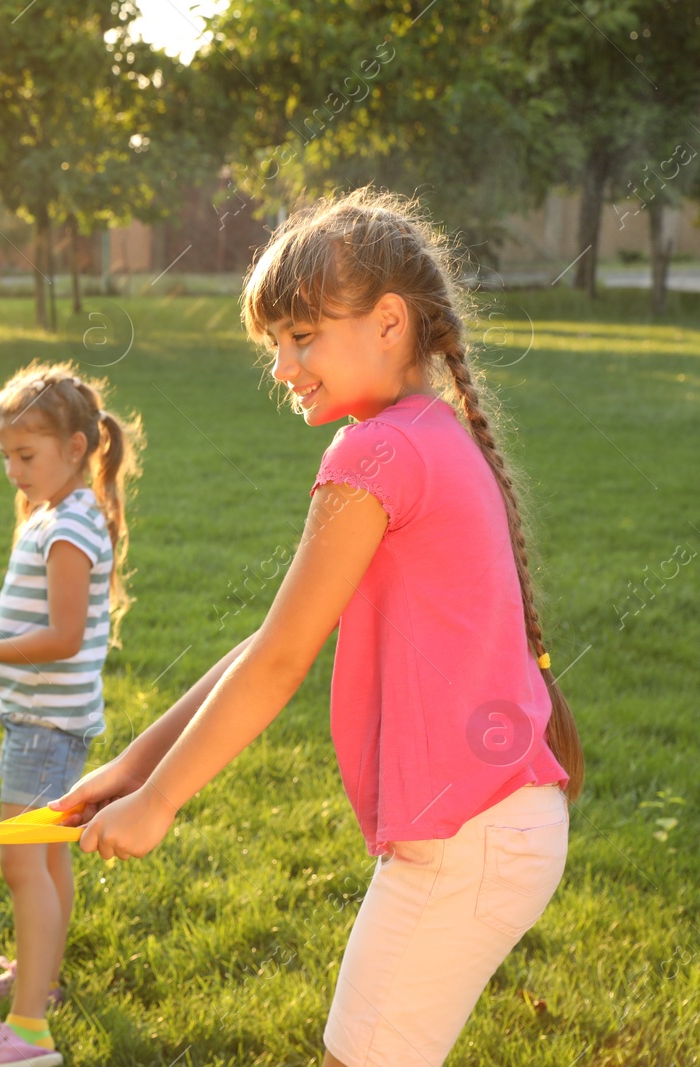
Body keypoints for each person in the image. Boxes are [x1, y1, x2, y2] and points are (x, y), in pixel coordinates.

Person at [52, 188, 585, 1067]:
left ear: (386, 323)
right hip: (488, 830)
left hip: (465, 843)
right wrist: (130, 769)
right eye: (275, 344)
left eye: (303, 336)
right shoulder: (424, 435)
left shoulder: (378, 452)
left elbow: (280, 661)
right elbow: (268, 641)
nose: (284, 365)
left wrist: (159, 804)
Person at [0, 362, 142, 1067]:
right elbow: (42, 614)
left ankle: (28, 1036)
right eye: (7, 455)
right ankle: (36, 977)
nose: (13, 470)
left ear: (76, 448)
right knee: (46, 859)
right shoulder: (59, 512)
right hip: (51, 721)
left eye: (26, 455)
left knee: (21, 864)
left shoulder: (70, 523)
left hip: (44, 725)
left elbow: (66, 637)